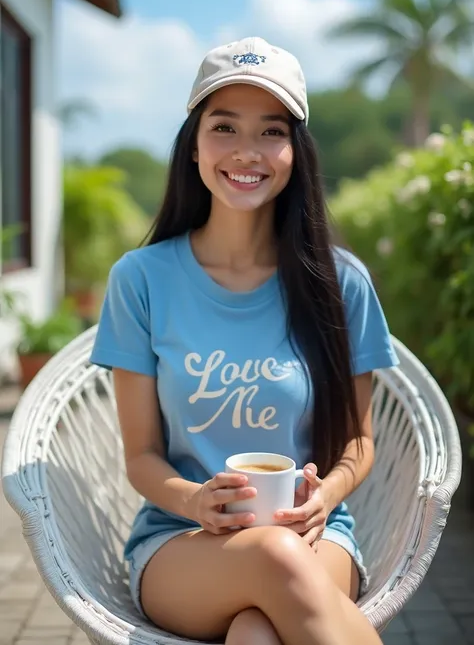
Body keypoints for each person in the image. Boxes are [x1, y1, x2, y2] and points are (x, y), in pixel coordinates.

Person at [90, 36, 399, 645]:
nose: (247, 152)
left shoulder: (342, 284)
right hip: (180, 541)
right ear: (194, 145)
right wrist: (196, 500)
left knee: (258, 630)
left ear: (295, 149)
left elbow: (359, 440)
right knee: (273, 559)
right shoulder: (141, 279)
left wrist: (324, 497)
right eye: (224, 127)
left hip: (315, 538)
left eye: (271, 131)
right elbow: (142, 457)